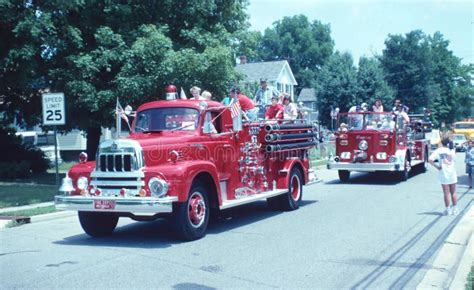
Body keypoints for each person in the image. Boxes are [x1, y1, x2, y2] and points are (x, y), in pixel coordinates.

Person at [429, 136, 459, 215]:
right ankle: (455, 209)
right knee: (454, 192)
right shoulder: (452, 150)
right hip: (452, 173)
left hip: (443, 173)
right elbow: (455, 159)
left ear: (442, 142)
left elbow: (430, 159)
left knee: (446, 193)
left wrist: (437, 167)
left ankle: (448, 210)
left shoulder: (438, 150)